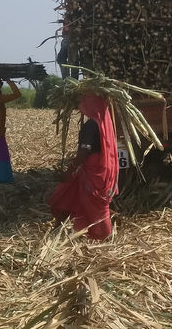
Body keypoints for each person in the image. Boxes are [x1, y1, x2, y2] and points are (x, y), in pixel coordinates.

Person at [48, 94, 119, 240]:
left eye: (84, 101)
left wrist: (70, 170)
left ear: (93, 104)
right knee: (66, 197)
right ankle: (56, 232)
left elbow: (84, 151)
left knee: (97, 208)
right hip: (100, 171)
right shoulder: (105, 123)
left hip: (93, 174)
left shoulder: (91, 125)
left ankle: (105, 237)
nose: (81, 105)